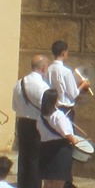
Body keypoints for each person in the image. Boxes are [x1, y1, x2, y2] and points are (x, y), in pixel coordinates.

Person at [12, 53, 48, 188]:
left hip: (21, 122)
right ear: (43, 68)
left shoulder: (19, 83)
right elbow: (47, 109)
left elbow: (14, 107)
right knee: (35, 158)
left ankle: (22, 184)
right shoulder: (43, 86)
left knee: (23, 156)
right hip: (37, 123)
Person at [37, 87, 79, 188]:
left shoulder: (40, 117)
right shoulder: (58, 115)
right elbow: (66, 133)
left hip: (45, 148)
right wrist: (74, 140)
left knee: (48, 182)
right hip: (60, 150)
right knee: (59, 182)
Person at [47, 40, 89, 122]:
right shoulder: (66, 71)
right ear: (63, 53)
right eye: (67, 52)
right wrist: (83, 85)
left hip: (52, 107)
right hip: (65, 108)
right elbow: (73, 94)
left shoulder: (49, 69)